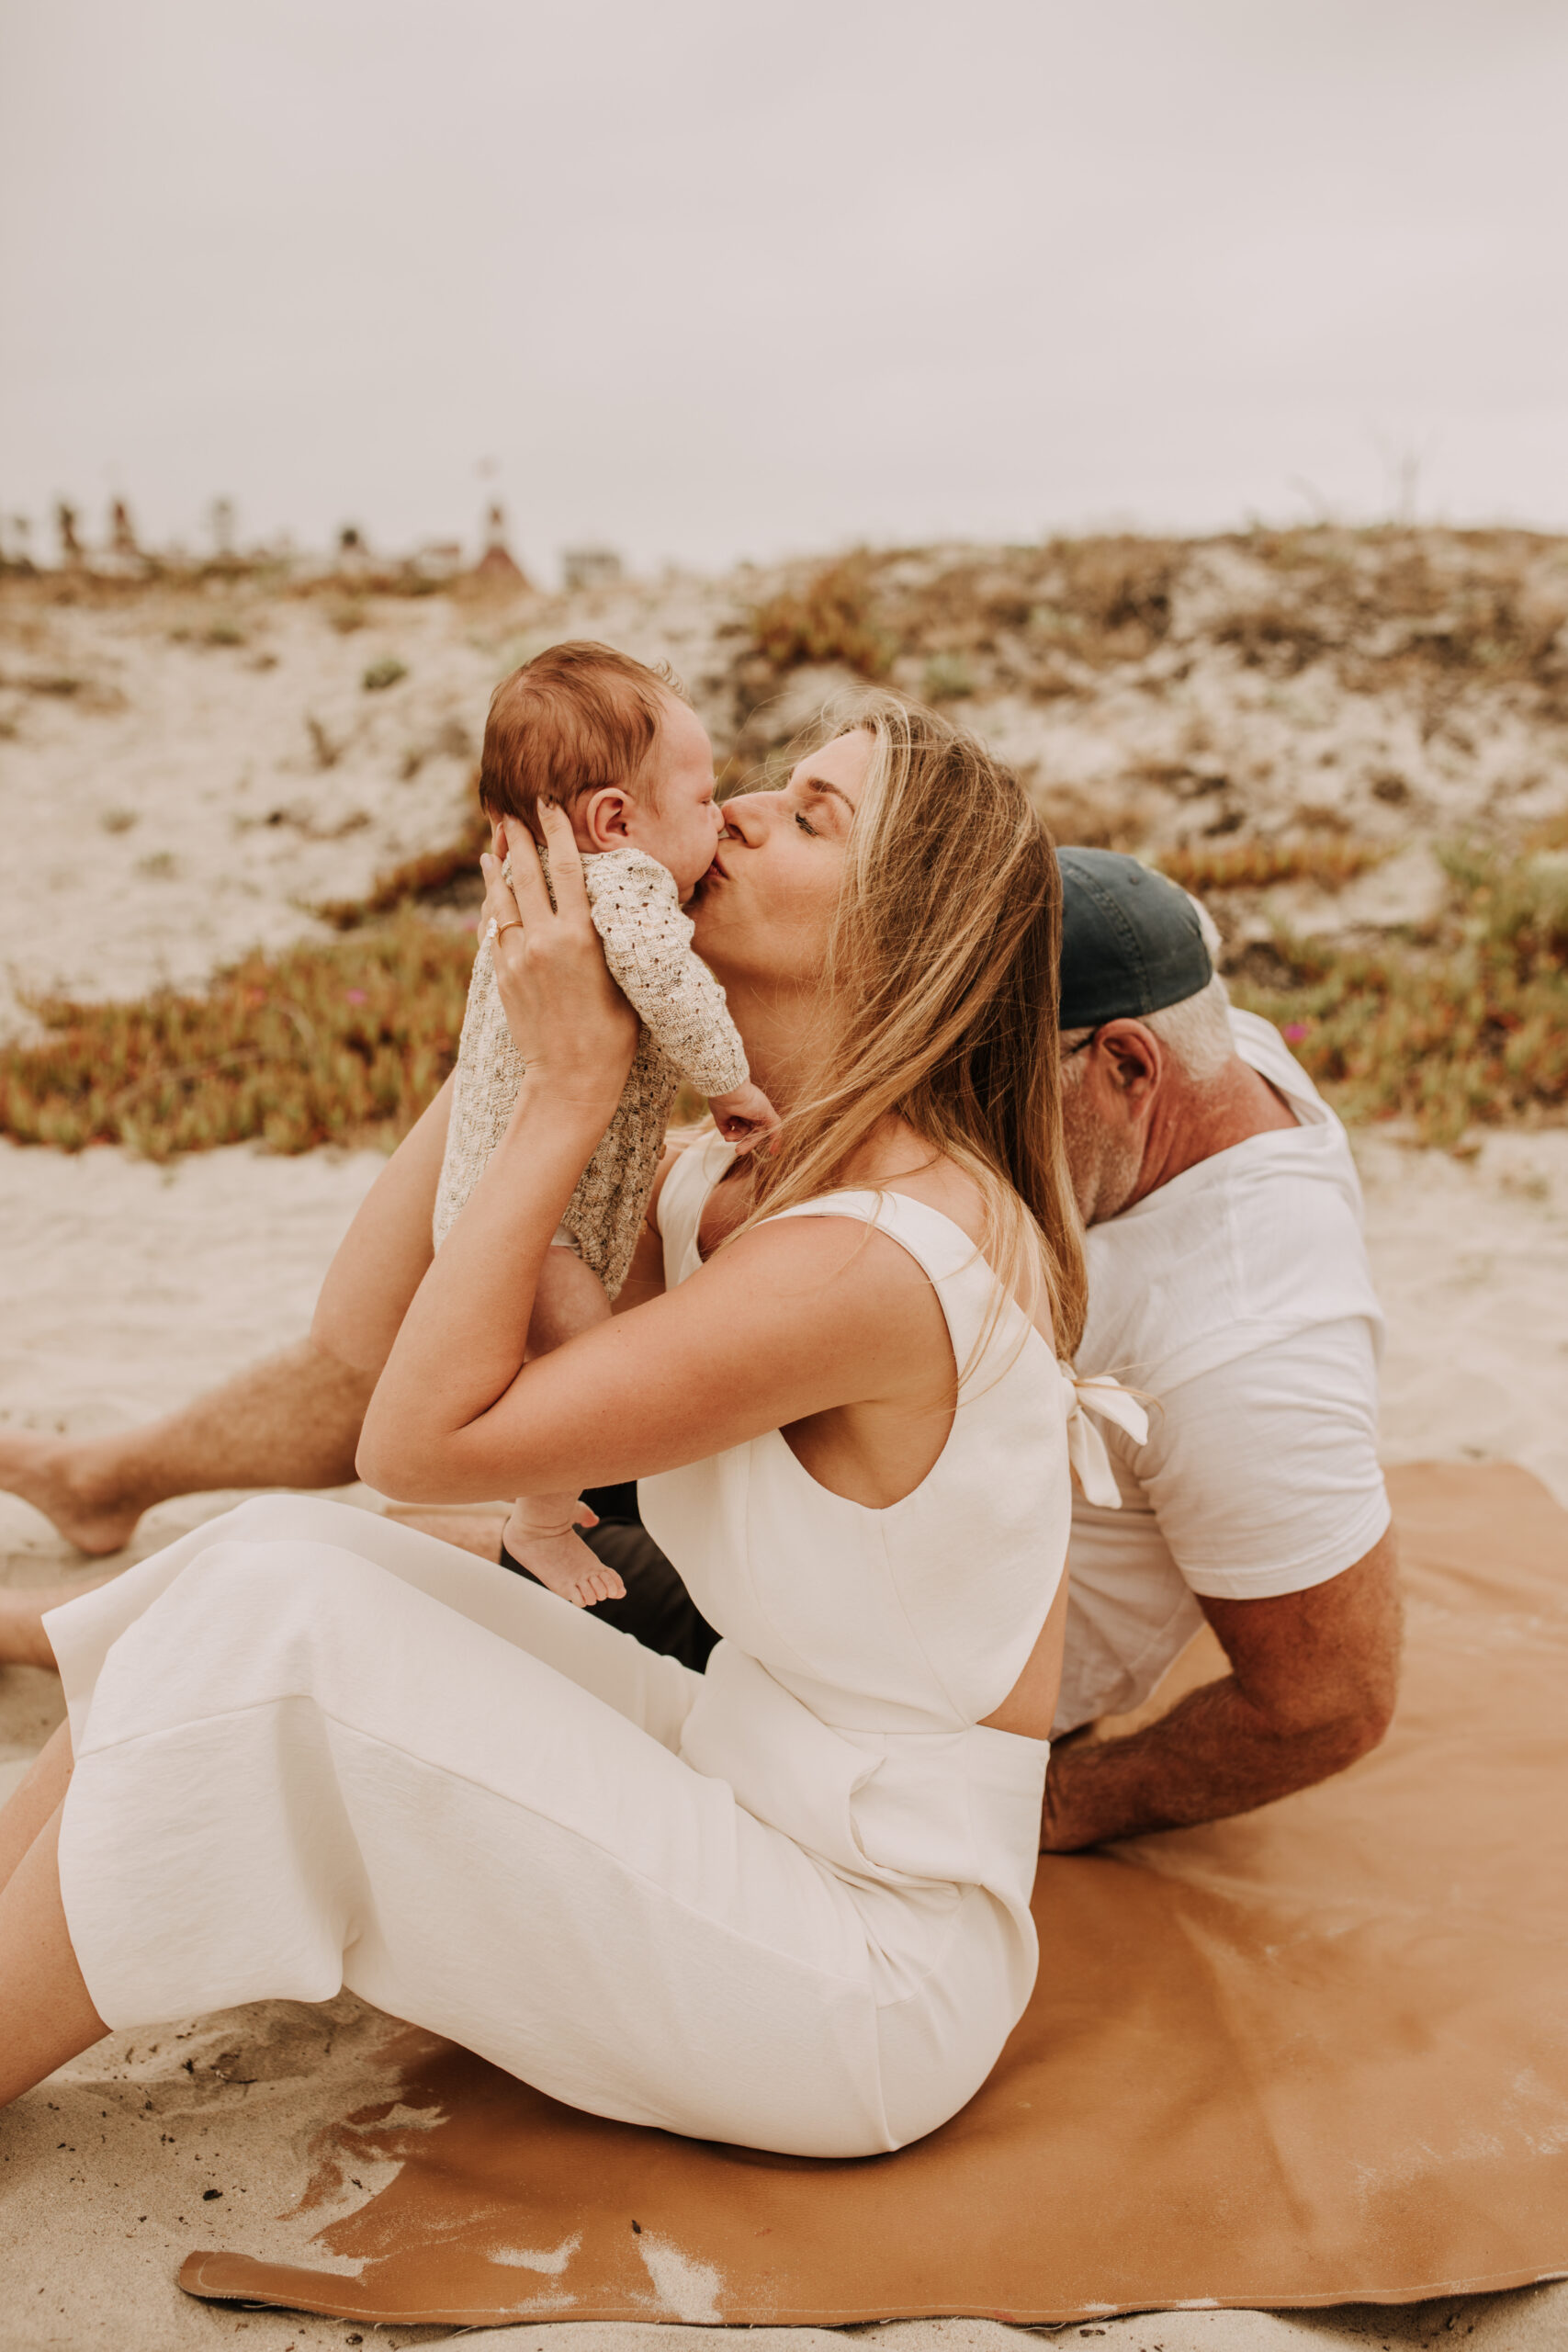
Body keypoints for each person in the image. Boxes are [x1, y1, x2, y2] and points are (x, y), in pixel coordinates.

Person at [0, 699, 1141, 2154]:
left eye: (807, 816)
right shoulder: (744, 1176)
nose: (731, 812)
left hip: (863, 1960)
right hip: (743, 1766)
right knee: (267, 1557)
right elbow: (366, 1339)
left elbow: (418, 1446)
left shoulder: (883, 1255)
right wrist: (517, 1010)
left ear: (906, 932)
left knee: (283, 1643)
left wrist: (565, 1093)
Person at [0, 767, 1402, 1854]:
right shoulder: (1180, 1043)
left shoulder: (1246, 1336)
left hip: (852, 1650)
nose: (941, 1095)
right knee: (486, 1339)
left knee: (404, 1534)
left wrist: (1039, 1810)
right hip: (812, 1472)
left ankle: (45, 1627)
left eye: (977, 1069)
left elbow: (1329, 1700)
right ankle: (112, 1478)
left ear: (1129, 1071)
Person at [433, 640, 775, 1606]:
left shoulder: (549, 887)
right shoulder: (621, 886)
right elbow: (673, 985)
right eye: (707, 798)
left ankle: (550, 1506)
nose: (726, 814)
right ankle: (541, 1518)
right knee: (588, 1362)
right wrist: (729, 1082)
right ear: (615, 820)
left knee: (569, 1355)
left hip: (520, 1199)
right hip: (538, 1218)